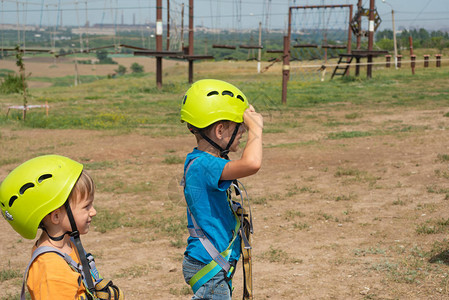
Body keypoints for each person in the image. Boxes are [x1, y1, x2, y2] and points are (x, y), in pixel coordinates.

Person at [180, 79, 263, 299]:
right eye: (239, 126)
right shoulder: (205, 165)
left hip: (212, 262)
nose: (244, 130)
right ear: (219, 130)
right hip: (210, 266)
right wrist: (257, 129)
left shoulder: (202, 162)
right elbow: (252, 163)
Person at [0, 155, 123, 300]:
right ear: (56, 216)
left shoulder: (67, 245)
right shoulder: (51, 270)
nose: (93, 212)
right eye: (86, 206)